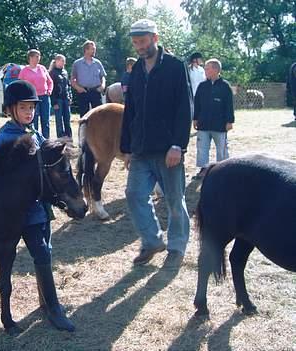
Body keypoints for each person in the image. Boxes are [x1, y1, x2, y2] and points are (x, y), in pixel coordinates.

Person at [0, 80, 75, 332]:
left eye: (32, 108)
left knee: (45, 249)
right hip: (20, 212)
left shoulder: (35, 133)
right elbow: (0, 175)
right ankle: (53, 309)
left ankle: (44, 300)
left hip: (40, 206)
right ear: (10, 109)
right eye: (24, 108)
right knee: (41, 252)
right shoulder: (5, 138)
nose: (30, 112)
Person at [120, 19, 193, 268]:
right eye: (135, 43)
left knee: (174, 200)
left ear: (155, 38)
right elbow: (131, 111)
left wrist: (178, 145)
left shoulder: (174, 66)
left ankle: (177, 247)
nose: (139, 46)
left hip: (167, 149)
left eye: (142, 41)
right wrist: (127, 148)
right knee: (133, 194)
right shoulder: (136, 71)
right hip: (140, 148)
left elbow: (185, 107)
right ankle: (152, 240)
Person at [193, 58, 234, 179]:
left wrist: (230, 121)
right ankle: (204, 169)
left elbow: (229, 105)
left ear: (215, 69)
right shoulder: (202, 86)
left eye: (207, 68)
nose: (205, 71)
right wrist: (195, 118)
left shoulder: (225, 86)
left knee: (222, 148)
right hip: (203, 123)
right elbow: (197, 103)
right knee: (202, 147)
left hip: (220, 124)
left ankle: (222, 168)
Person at [18, 49, 53, 138]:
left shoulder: (42, 68)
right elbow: (20, 84)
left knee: (46, 120)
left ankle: (46, 140)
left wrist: (49, 90)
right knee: (33, 120)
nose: (38, 58)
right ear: (30, 57)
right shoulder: (24, 70)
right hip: (31, 99)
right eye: (36, 56)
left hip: (44, 97)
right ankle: (34, 140)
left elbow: (50, 81)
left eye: (39, 56)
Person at [71, 40, 107, 118]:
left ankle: (98, 130)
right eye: (93, 49)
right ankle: (84, 130)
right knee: (84, 116)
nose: (94, 50)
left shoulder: (98, 63)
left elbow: (103, 76)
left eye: (94, 49)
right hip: (83, 92)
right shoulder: (77, 63)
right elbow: (72, 79)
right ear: (86, 50)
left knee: (99, 115)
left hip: (96, 91)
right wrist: (78, 88)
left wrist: (102, 86)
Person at [49, 54, 72, 138]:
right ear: (56, 61)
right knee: (59, 120)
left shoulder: (65, 72)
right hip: (57, 99)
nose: (63, 63)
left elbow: (68, 85)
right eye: (62, 60)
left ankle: (69, 137)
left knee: (67, 118)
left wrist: (70, 97)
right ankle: (61, 138)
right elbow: (52, 88)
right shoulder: (52, 73)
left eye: (64, 61)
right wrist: (54, 102)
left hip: (66, 98)